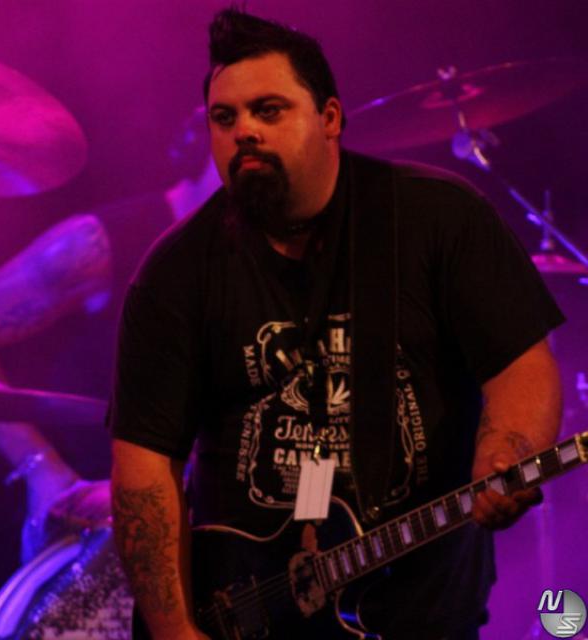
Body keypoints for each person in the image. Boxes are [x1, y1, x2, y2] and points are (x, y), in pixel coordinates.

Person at [109, 9, 564, 640]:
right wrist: (176, 632)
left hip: (422, 608)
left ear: (329, 118)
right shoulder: (176, 272)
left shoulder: (439, 219)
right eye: (224, 117)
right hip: (245, 610)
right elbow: (144, 469)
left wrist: (506, 449)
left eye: (269, 110)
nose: (244, 131)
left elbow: (521, 364)